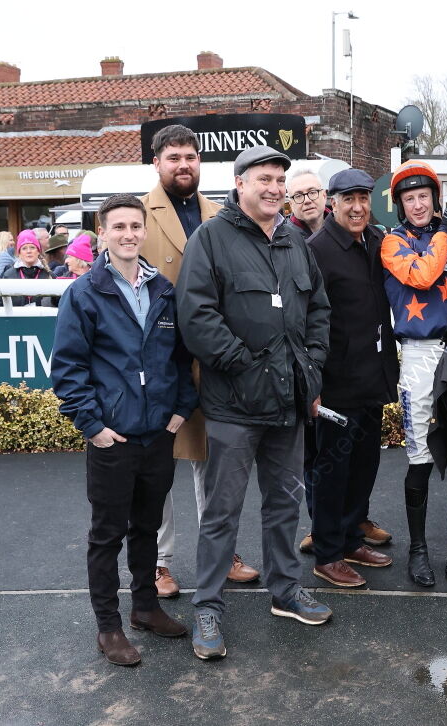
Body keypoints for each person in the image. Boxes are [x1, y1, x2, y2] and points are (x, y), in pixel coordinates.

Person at [177, 145, 332, 660]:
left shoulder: (294, 241)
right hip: (234, 406)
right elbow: (196, 317)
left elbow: (318, 312)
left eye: (279, 180)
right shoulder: (211, 240)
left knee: (285, 502)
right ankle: (208, 606)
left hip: (288, 402)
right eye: (264, 178)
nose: (274, 188)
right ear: (240, 183)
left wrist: (309, 367)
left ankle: (285, 590)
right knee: (221, 512)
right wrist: (246, 365)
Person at [51, 193, 198, 666]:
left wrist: (180, 410)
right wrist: (93, 426)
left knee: (147, 528)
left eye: (136, 225)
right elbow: (68, 367)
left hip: (157, 433)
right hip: (112, 438)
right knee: (106, 533)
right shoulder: (84, 292)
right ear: (102, 232)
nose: (130, 234)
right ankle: (109, 627)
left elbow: (181, 359)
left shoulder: (163, 291)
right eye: (119, 227)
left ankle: (146, 608)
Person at [139, 123, 259, 598]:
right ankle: (158, 563)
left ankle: (221, 551)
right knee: (158, 468)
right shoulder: (136, 215)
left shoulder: (220, 214)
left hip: (211, 359)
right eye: (173, 157)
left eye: (190, 156)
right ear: (157, 163)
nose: (183, 164)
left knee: (213, 464)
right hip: (159, 361)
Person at [381, 160, 447, 587]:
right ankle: (417, 549)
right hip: (420, 357)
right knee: (420, 456)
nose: (418, 205)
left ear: (435, 198)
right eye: (410, 198)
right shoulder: (392, 242)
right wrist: (444, 234)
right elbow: (422, 276)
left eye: (424, 197)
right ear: (401, 204)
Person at [306, 169, 399, 588]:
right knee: (331, 471)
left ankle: (348, 538)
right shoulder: (317, 250)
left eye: (363, 198)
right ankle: (326, 553)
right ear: (333, 202)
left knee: (364, 465)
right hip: (336, 384)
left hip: (372, 378)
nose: (358, 207)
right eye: (349, 199)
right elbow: (305, 320)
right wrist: (312, 384)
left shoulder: (378, 241)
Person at [0, 229, 54, 306]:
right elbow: (0, 303)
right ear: (19, 253)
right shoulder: (8, 275)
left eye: (32, 247)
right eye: (24, 248)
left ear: (38, 251)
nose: (29, 251)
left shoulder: (48, 274)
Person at [286, 165, 330, 238]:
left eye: (312, 192)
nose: (307, 200)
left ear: (324, 196)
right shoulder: (283, 240)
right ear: (291, 204)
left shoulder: (344, 228)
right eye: (298, 196)